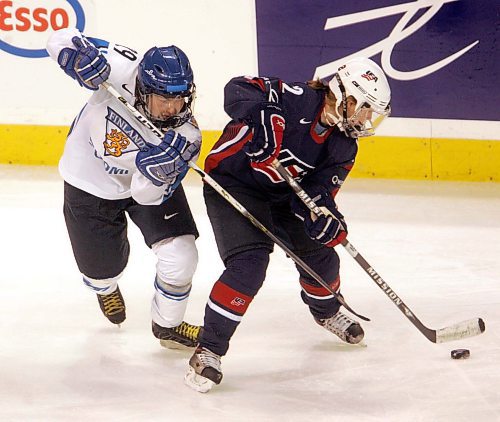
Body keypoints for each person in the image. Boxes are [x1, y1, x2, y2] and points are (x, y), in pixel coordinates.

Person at [184, 57, 392, 392]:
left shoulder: (343, 147)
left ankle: (326, 312)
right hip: (235, 184)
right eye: (365, 108)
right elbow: (234, 90)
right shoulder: (292, 97)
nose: (367, 119)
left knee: (323, 256)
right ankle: (208, 349)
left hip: (283, 197)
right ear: (343, 95)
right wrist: (264, 113)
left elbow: (317, 193)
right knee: (249, 266)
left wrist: (323, 216)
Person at [46, 28, 202, 349]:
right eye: (164, 99)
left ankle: (167, 325)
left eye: (180, 98)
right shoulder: (120, 65)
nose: (173, 109)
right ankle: (105, 288)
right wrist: (75, 58)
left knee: (182, 254)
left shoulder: (185, 137)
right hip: (88, 182)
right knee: (102, 270)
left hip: (141, 184)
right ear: (143, 89)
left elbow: (146, 196)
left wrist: (155, 173)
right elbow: (61, 37)